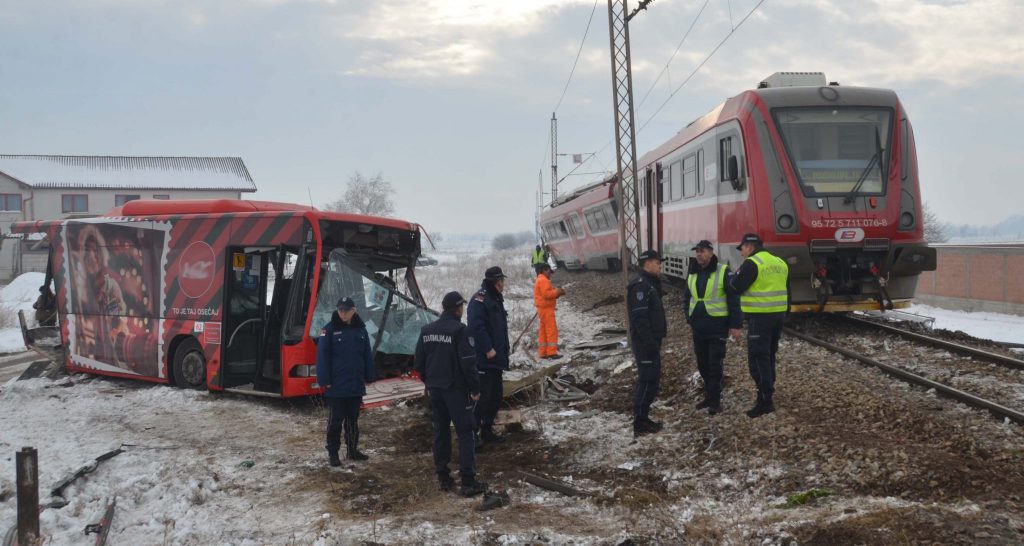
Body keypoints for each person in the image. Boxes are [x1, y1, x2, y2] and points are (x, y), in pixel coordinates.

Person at [414, 291, 487, 497]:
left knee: (441, 431)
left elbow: (418, 363)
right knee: (466, 432)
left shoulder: (427, 330)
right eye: (462, 306)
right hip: (455, 390)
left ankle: (443, 477)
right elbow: (468, 364)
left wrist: (429, 381)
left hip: (434, 390)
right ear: (458, 308)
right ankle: (468, 481)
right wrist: (475, 389)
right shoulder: (460, 331)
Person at [728, 233, 790, 418]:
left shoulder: (752, 263)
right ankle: (768, 390)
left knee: (757, 358)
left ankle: (765, 400)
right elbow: (788, 290)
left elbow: (735, 286)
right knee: (769, 354)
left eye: (742, 249)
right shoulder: (779, 262)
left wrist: (735, 276)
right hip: (777, 316)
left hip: (759, 318)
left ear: (750, 246)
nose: (741, 253)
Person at [682, 240, 742, 415]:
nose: (698, 254)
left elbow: (733, 299)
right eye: (697, 251)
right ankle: (709, 396)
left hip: (717, 326)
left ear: (710, 252)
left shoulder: (723, 271)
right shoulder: (692, 272)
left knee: (714, 365)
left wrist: (735, 325)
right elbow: (687, 298)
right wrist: (689, 317)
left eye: (702, 251)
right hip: (698, 327)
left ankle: (715, 401)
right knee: (702, 365)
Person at [316, 297, 376, 465]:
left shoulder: (361, 330)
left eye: (346, 310)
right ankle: (333, 453)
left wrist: (370, 376)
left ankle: (352, 450)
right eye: (340, 310)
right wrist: (324, 380)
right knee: (335, 421)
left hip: (355, 384)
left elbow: (366, 355)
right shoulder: (328, 330)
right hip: (336, 385)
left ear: (354, 310)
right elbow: (322, 357)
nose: (342, 313)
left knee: (352, 420)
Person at [467, 266, 510, 447]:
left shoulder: (495, 298)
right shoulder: (480, 299)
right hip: (485, 359)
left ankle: (487, 430)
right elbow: (476, 327)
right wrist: (487, 349)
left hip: (497, 359)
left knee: (495, 397)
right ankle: (472, 435)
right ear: (495, 281)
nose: (503, 284)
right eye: (501, 280)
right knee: (483, 398)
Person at [627, 250, 667, 437]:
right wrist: (650, 343)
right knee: (647, 380)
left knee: (652, 380)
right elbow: (639, 318)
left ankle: (643, 418)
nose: (660, 265)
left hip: (650, 341)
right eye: (658, 262)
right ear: (648, 263)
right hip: (645, 343)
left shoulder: (649, 284)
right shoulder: (641, 286)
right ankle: (640, 423)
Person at [533, 263, 566, 359]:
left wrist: (556, 294)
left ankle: (543, 353)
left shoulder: (540, 279)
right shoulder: (543, 280)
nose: (550, 274)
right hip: (547, 310)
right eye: (549, 271)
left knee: (543, 332)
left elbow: (546, 294)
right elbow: (546, 294)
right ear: (544, 270)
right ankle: (552, 353)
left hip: (542, 309)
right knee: (552, 331)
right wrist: (557, 291)